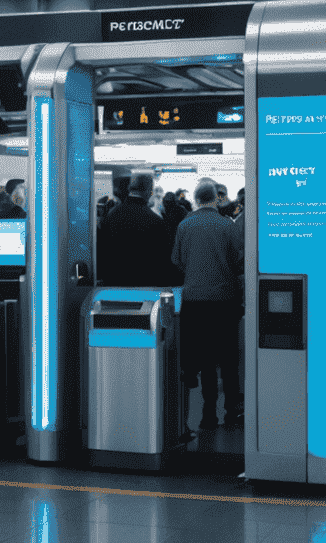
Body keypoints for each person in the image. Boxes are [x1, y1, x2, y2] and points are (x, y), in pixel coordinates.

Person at [172, 179, 245, 429]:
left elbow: (178, 260)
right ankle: (232, 408)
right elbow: (239, 261)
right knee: (228, 358)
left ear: (196, 199)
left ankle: (208, 413)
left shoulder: (185, 225)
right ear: (215, 198)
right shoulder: (228, 225)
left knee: (205, 360)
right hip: (224, 300)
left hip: (195, 302)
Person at [97, 172, 176, 286]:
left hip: (114, 282)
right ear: (149, 190)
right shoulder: (156, 220)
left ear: (130, 188)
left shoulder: (112, 215)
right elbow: (163, 258)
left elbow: (102, 249)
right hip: (145, 283)